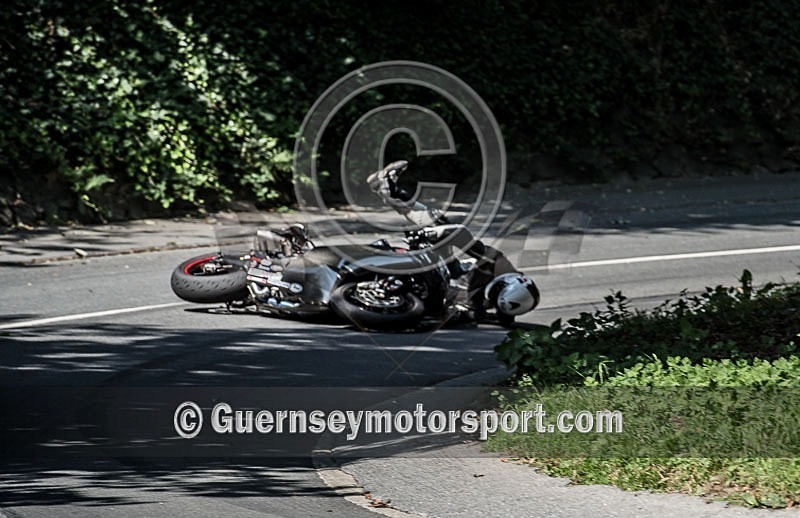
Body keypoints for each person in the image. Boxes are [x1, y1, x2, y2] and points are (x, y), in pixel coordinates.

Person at [367, 160, 539, 324]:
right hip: (446, 270)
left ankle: (389, 191)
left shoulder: (508, 303)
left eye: (496, 301)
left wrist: (468, 314)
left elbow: (496, 317)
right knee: (438, 221)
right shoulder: (496, 263)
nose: (491, 298)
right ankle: (391, 191)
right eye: (496, 293)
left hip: (440, 298)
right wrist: (430, 234)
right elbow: (461, 235)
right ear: (505, 282)